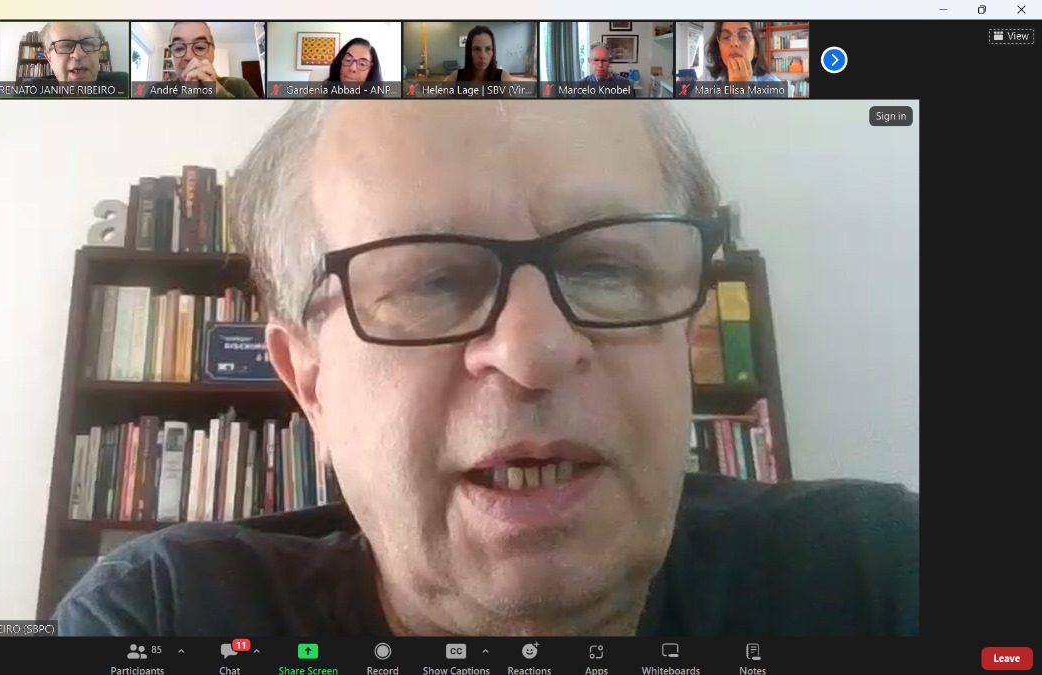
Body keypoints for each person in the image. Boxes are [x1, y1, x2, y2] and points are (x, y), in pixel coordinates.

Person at [53, 100, 918, 637]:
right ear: (308, 382)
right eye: (432, 281)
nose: (536, 349)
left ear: (686, 330)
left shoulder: (881, 574)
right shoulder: (165, 619)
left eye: (605, 267)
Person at [695, 21, 790, 97]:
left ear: (756, 50)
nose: (734, 43)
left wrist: (740, 91)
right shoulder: (705, 82)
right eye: (726, 37)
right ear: (719, 49)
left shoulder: (774, 87)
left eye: (743, 36)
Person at [166, 21, 259, 98]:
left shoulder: (240, 87)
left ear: (213, 52)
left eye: (200, 47)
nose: (189, 57)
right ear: (171, 56)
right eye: (179, 48)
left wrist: (220, 94)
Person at [29, 21, 128, 86]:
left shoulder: (123, 83)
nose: (78, 55)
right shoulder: (31, 91)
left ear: (99, 52)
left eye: (88, 43)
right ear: (49, 58)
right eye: (65, 45)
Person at [443, 25, 527, 83]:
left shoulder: (503, 78)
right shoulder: (455, 77)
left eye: (488, 49)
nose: (482, 56)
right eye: (477, 49)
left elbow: (513, 104)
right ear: (469, 51)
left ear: (493, 51)